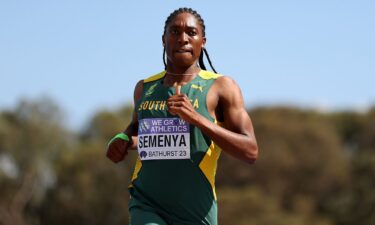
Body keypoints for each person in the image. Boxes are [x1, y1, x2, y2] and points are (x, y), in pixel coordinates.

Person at [106, 7, 258, 225]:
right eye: (175, 32)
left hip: (196, 211)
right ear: (163, 39)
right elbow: (139, 130)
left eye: (191, 33)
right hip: (146, 203)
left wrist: (196, 119)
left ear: (203, 41)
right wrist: (122, 140)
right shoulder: (144, 87)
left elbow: (250, 151)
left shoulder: (222, 87)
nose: (183, 39)